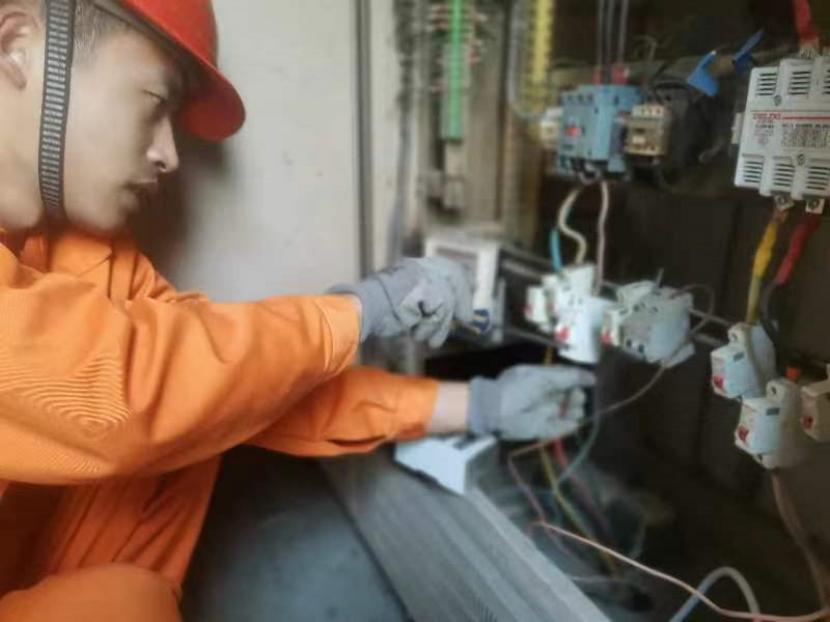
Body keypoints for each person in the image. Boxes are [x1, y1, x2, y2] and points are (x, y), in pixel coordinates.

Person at [0, 0, 595, 619]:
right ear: (16, 43)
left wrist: (478, 405)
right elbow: (123, 394)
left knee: (203, 418)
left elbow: (237, 385)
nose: (170, 155)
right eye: (155, 103)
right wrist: (356, 312)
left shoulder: (83, 254)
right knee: (125, 604)